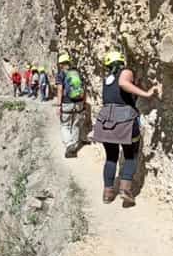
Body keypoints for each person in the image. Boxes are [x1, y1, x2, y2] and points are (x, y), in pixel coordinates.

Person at [92, 51, 161, 206]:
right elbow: (124, 83)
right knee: (131, 155)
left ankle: (108, 193)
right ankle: (125, 190)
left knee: (111, 157)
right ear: (121, 62)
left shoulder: (107, 79)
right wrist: (146, 93)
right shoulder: (126, 72)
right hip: (125, 119)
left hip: (106, 121)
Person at [56, 53, 86, 158]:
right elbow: (84, 88)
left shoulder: (61, 74)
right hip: (79, 102)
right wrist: (84, 103)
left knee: (65, 125)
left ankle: (69, 146)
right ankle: (75, 145)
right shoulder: (78, 73)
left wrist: (58, 105)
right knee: (76, 125)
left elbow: (60, 89)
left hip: (67, 103)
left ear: (61, 64)